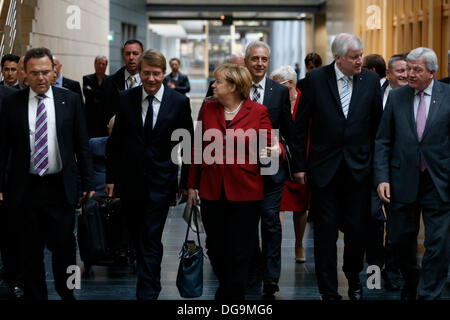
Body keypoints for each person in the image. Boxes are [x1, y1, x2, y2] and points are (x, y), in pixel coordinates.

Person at [0, 47, 95, 300]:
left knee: (64, 249)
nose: (41, 78)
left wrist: (88, 182)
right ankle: (35, 296)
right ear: (24, 74)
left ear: (54, 72)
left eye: (45, 72)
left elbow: (82, 144)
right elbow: (3, 147)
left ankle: (67, 293)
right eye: (34, 73)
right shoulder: (12, 103)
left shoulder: (70, 99)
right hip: (25, 189)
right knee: (30, 252)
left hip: (60, 187)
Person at [296, 33, 383, 300]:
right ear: (338, 58)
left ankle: (354, 275)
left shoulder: (369, 81)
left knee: (358, 230)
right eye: (354, 57)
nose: (360, 61)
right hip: (324, 170)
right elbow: (300, 127)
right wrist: (299, 166)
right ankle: (329, 291)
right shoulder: (314, 80)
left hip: (359, 170)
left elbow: (377, 128)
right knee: (325, 234)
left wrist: (377, 171)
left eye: (361, 55)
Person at [187, 63, 282, 300]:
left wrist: (275, 149)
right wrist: (191, 186)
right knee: (216, 249)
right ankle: (227, 287)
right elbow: (197, 147)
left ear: (233, 86)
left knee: (241, 250)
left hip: (246, 192)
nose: (213, 85)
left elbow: (271, 140)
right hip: (211, 190)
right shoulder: (208, 109)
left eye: (218, 81)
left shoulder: (257, 111)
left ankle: (232, 297)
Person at [105, 49, 194, 300]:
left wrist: (186, 183)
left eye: (156, 74)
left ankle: (147, 291)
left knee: (151, 237)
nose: (151, 79)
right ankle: (148, 280)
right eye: (146, 73)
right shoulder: (125, 98)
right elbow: (116, 143)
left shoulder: (178, 102)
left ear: (164, 74)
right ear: (139, 73)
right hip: (130, 182)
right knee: (137, 237)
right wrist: (110, 178)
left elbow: (186, 144)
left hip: (161, 182)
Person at [374, 47, 450, 300]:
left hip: (438, 180)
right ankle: (413, 279)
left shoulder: (448, 96)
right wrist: (382, 177)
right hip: (402, 180)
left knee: (438, 243)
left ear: (431, 72)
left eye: (416, 70)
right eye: (408, 69)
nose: (410, 75)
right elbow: (383, 140)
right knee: (400, 239)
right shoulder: (397, 97)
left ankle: (429, 293)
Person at [244, 40, 302, 298]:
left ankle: (271, 278)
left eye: (264, 59)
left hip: (271, 169)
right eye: (255, 58)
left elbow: (290, 130)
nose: (259, 63)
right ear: (247, 61)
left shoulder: (278, 91)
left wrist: (296, 165)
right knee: (246, 225)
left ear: (268, 61)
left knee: (270, 223)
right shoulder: (237, 88)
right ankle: (253, 270)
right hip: (243, 172)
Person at [270, 65, 310, 263]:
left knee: (301, 205)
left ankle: (299, 243)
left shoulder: (306, 99)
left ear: (291, 83)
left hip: (303, 157)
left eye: (277, 84)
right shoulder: (276, 101)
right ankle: (274, 247)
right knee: (280, 204)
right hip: (281, 156)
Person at [0, 84, 23, 299]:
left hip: (7, 180)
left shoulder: (10, 98)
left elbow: (11, 145)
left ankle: (14, 278)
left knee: (10, 234)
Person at [102, 39, 144, 122]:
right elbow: (102, 114)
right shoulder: (108, 82)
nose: (131, 57)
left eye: (135, 53)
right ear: (123, 55)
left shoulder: (150, 82)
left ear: (142, 56)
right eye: (127, 54)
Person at [83, 55, 109, 138]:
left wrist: (93, 91)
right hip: (90, 118)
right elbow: (87, 94)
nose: (101, 66)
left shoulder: (110, 80)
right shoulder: (87, 78)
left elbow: (108, 97)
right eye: (98, 63)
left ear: (106, 66)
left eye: (103, 64)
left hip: (105, 119)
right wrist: (102, 94)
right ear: (94, 65)